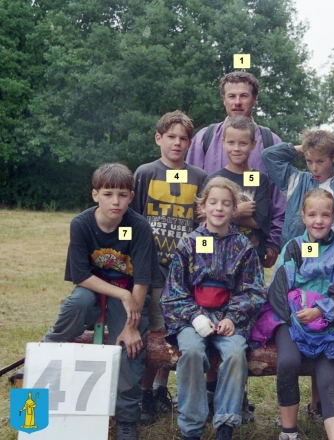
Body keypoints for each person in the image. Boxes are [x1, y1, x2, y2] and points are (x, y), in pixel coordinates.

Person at [42, 163, 157, 440]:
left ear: (131, 196)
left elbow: (142, 280)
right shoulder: (81, 224)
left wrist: (130, 325)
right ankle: (48, 349)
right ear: (95, 195)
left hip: (130, 293)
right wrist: (121, 293)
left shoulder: (139, 227)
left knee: (130, 348)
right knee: (77, 303)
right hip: (96, 290)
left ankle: (126, 418)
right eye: (108, 194)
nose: (115, 201)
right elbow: (80, 276)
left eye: (122, 194)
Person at [160, 177, 266, 440]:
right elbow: (173, 292)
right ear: (203, 207)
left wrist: (233, 318)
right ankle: (191, 427)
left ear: (234, 210)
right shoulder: (188, 243)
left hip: (229, 319)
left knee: (234, 354)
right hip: (191, 318)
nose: (219, 208)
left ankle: (225, 424)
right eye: (213, 203)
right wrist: (195, 317)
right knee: (193, 352)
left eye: (226, 204)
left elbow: (253, 290)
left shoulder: (244, 247)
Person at [131, 110, 208, 425]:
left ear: (190, 143)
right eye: (171, 137)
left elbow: (203, 227)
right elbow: (132, 221)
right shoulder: (145, 173)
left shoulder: (200, 177)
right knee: (154, 330)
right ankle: (144, 392)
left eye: (183, 138)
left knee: (173, 328)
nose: (177, 143)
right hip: (151, 268)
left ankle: (162, 387)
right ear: (158, 138)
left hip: (182, 270)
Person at [263, 188, 334, 440]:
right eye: (312, 214)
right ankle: (288, 432)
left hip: (327, 324)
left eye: (325, 215)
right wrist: (296, 315)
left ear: (333, 216)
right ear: (302, 216)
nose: (318, 221)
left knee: (329, 375)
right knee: (288, 362)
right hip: (292, 321)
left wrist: (320, 312)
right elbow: (278, 288)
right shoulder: (293, 247)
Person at [186, 71, 284, 268]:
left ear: (254, 99)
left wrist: (274, 241)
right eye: (232, 96)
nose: (237, 102)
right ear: (224, 100)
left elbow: (279, 198)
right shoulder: (205, 138)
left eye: (244, 96)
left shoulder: (271, 142)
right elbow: (192, 193)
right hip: (209, 242)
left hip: (251, 245)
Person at [204, 115, 271, 262]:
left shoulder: (259, 179)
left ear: (253, 144)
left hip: (250, 257)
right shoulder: (213, 180)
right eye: (231, 142)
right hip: (217, 256)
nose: (236, 149)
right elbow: (203, 219)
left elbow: (259, 222)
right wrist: (237, 211)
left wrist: (220, 216)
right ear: (223, 143)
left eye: (243, 143)